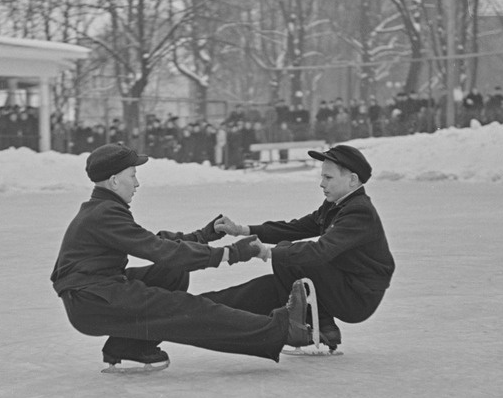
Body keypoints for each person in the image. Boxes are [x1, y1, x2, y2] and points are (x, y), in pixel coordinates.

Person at [50, 143, 312, 372]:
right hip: (93, 300)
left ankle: (129, 347)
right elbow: (160, 249)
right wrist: (231, 254)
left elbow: (155, 243)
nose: (138, 183)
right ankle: (280, 331)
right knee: (188, 310)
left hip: (94, 293)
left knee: (172, 272)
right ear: (115, 180)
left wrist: (203, 236)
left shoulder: (102, 209)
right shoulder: (104, 214)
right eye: (133, 175)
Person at [208, 144, 395, 351]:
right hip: (343, 284)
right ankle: (324, 326)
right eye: (322, 177)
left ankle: (303, 325)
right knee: (275, 279)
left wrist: (269, 252)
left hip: (357, 297)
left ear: (352, 180)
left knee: (288, 256)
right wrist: (242, 229)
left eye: (328, 178)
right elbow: (295, 228)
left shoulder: (359, 212)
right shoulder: (337, 205)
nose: (321, 184)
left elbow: (321, 251)